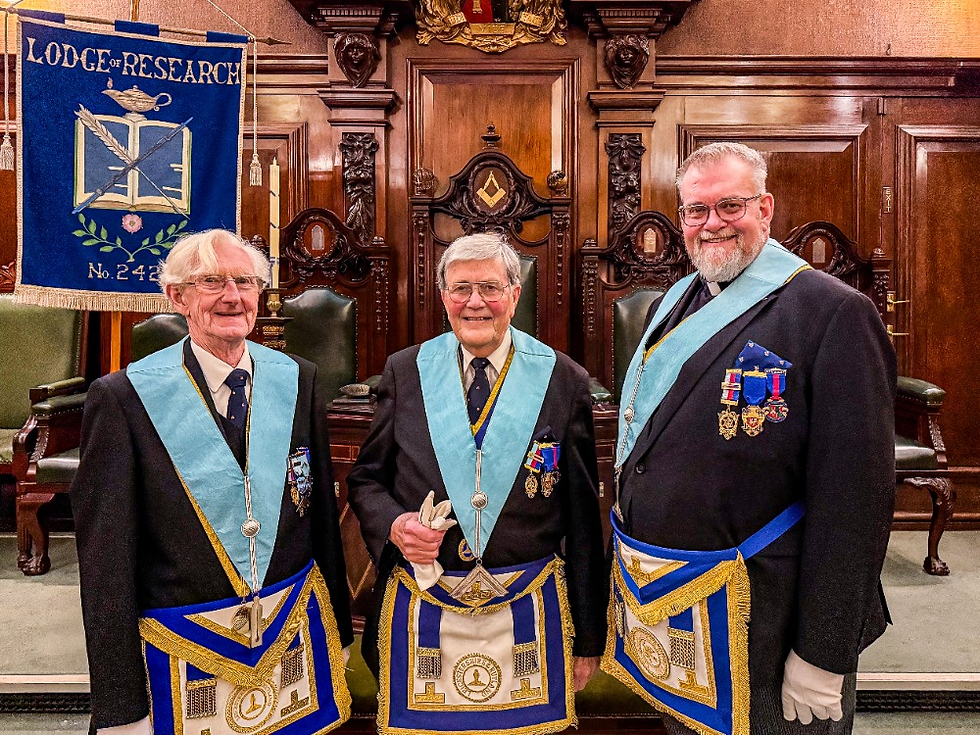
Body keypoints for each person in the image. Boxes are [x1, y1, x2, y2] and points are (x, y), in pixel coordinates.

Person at [601, 142, 896, 735]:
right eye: (694, 210)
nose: (711, 224)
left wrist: (823, 651)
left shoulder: (833, 312)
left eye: (728, 206)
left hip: (769, 615)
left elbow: (856, 500)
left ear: (764, 208)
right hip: (677, 604)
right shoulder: (675, 301)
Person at [71, 230, 353, 735]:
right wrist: (121, 702)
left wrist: (337, 631)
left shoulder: (298, 379)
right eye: (211, 282)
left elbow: (320, 521)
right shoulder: (122, 399)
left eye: (245, 281)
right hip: (181, 646)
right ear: (176, 296)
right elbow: (105, 563)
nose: (233, 296)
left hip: (289, 640)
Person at [347, 232, 607, 735]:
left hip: (527, 611)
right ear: (443, 297)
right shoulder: (406, 371)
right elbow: (366, 480)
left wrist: (588, 636)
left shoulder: (563, 379)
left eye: (489, 287)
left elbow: (581, 516)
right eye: (460, 288)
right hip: (422, 608)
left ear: (515, 292)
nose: (474, 302)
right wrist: (396, 524)